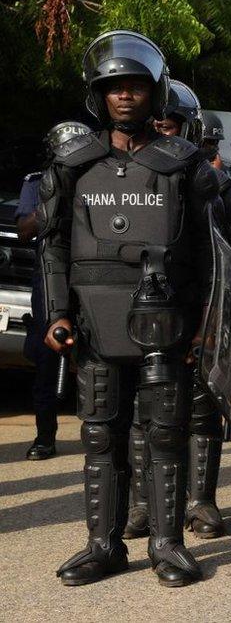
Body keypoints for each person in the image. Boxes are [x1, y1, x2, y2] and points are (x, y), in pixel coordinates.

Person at [42, 30, 221, 587]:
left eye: (135, 87)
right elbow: (52, 243)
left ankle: (167, 545)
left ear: (155, 92)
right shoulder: (74, 163)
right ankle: (103, 544)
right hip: (94, 327)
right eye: (114, 87)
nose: (125, 96)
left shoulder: (184, 164)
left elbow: (209, 252)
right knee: (100, 436)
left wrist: (204, 325)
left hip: (166, 325)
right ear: (100, 95)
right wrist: (56, 313)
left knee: (165, 433)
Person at [123, 79, 231, 542]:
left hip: (197, 312)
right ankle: (142, 503)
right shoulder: (124, 174)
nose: (163, 132)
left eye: (171, 125)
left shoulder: (215, 183)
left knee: (200, 407)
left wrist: (211, 318)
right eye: (158, 124)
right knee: (141, 410)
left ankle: (202, 500)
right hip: (139, 313)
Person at [17, 121, 92, 460]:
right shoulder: (38, 182)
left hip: (91, 273)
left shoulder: (97, 179)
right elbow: (23, 230)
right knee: (47, 354)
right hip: (50, 274)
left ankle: (99, 430)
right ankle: (45, 436)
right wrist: (49, 204)